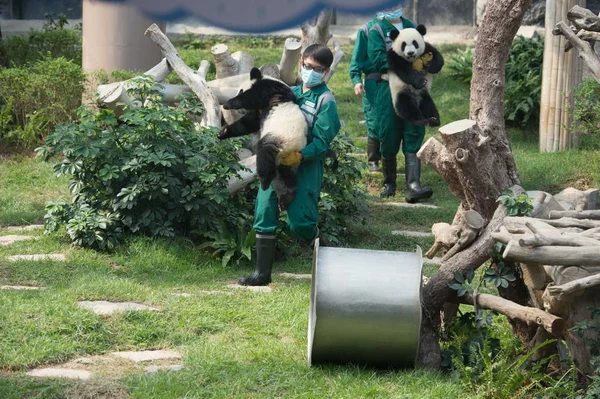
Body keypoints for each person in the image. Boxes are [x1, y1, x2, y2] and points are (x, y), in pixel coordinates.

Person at [239, 44, 341, 286]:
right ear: (301, 63)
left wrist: (300, 156)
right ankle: (262, 274)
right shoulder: (288, 93)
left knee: (301, 223)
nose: (310, 72)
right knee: (264, 214)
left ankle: (329, 253)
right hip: (274, 166)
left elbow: (322, 141)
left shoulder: (326, 101)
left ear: (326, 72)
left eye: (317, 69)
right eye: (307, 66)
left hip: (304, 167)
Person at [366, 6, 433, 202]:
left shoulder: (411, 26)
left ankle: (413, 186)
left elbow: (423, 51)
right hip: (387, 88)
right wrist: (410, 64)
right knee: (388, 132)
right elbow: (379, 60)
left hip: (413, 89)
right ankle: (390, 183)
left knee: (414, 129)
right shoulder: (377, 30)